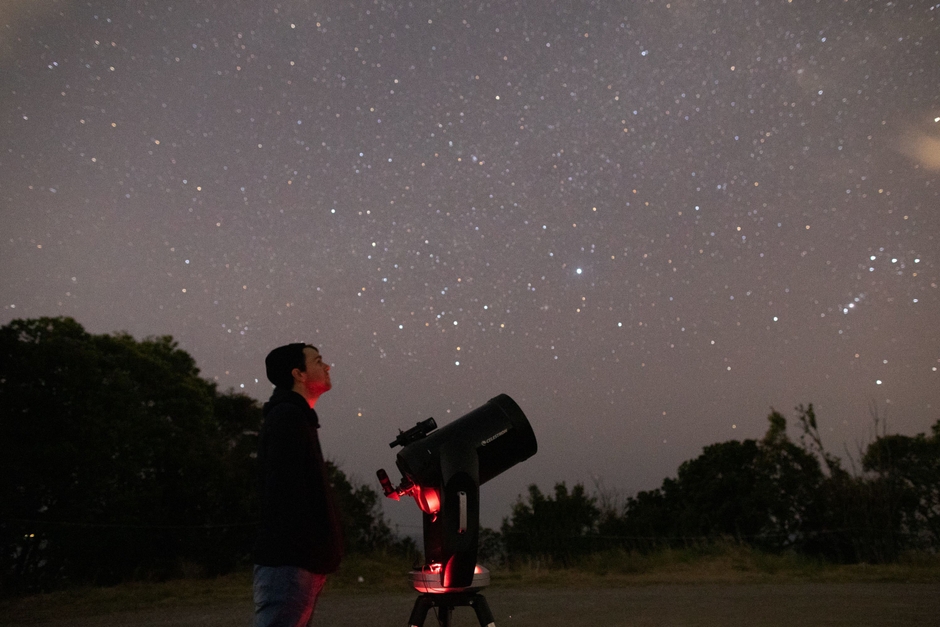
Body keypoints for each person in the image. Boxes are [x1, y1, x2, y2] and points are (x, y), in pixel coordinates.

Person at [253, 343, 344, 627]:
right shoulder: (288, 419)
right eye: (317, 361)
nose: (327, 366)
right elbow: (286, 494)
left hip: (296, 563)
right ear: (299, 374)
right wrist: (312, 550)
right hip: (291, 564)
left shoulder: (295, 417)